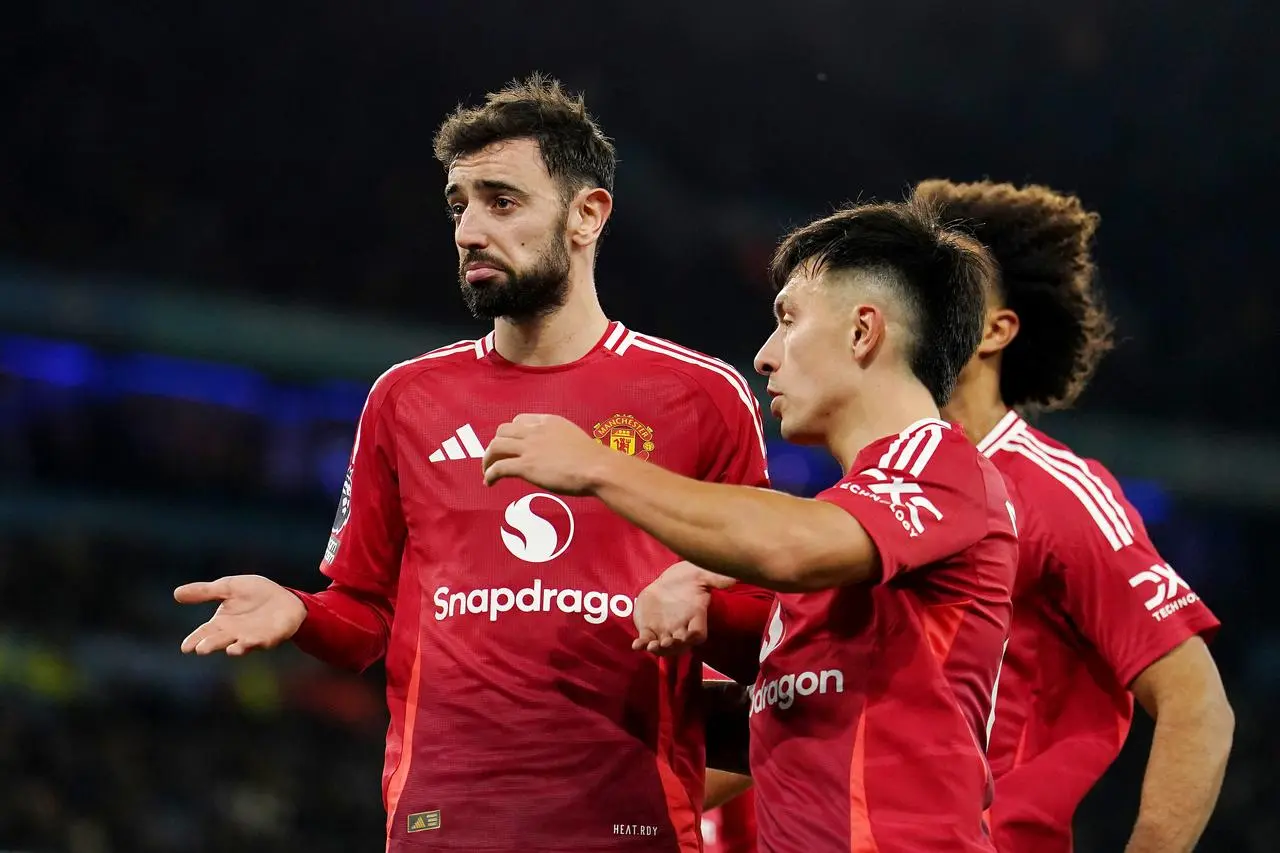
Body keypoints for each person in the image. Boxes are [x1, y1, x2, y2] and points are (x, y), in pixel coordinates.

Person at [173, 74, 774, 852]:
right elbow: (361, 618)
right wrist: (299, 610)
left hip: (634, 826)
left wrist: (703, 591)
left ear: (587, 215)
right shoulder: (405, 397)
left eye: (502, 200)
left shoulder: (702, 396)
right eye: (459, 204)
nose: (467, 230)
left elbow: (770, 615)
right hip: (442, 827)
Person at [481, 199, 1020, 852]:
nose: (764, 357)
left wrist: (599, 466)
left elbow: (790, 545)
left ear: (862, 332)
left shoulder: (936, 459)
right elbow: (797, 709)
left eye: (787, 319)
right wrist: (684, 617)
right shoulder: (842, 545)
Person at [914, 178, 1233, 852]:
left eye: (943, 282)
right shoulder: (875, 482)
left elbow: (1196, 702)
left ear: (996, 329)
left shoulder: (1057, 493)